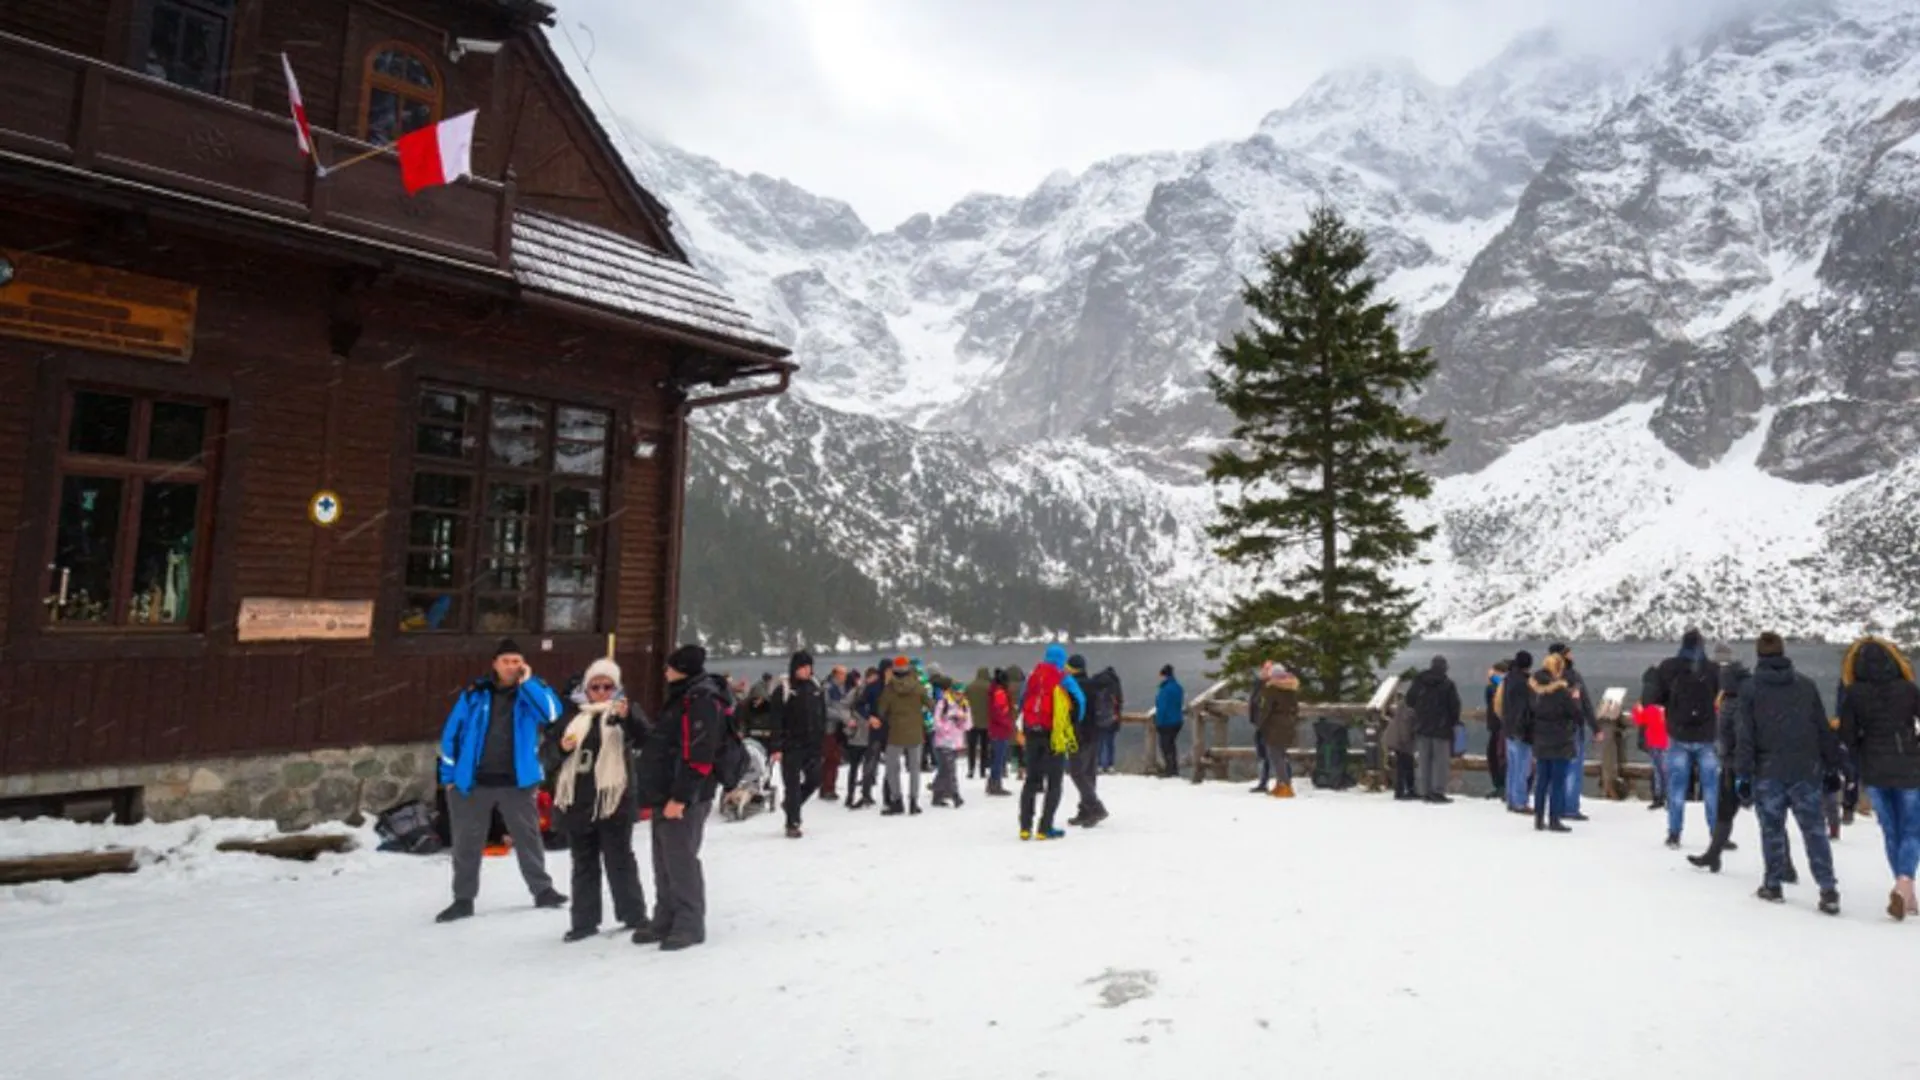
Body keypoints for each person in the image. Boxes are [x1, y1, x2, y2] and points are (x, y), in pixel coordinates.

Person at [434, 639, 567, 923]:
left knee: (528, 839)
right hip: (473, 782)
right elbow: (452, 733)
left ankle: (543, 891)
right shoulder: (474, 693)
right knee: (466, 844)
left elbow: (552, 714)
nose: (511, 666)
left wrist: (528, 683)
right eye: (506, 661)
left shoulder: (531, 692)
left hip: (517, 782)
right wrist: (448, 777)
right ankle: (463, 899)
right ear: (495, 663)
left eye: (517, 661)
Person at [1734, 633, 1841, 914]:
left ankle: (1773, 882)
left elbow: (1745, 736)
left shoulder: (1750, 689)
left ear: (1758, 655)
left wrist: (1742, 775)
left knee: (1772, 829)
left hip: (1768, 770)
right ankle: (1828, 888)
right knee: (1814, 831)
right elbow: (1822, 728)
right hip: (1805, 769)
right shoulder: (1805, 685)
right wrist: (1832, 765)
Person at [632, 644, 726, 950]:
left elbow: (700, 755)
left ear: (682, 669)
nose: (665, 671)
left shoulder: (700, 699)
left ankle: (689, 922)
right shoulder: (681, 696)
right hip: (665, 790)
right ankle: (665, 917)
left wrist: (681, 797)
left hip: (685, 795)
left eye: (670, 666)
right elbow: (662, 742)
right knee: (663, 858)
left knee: (680, 858)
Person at [553, 658, 646, 943]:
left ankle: (634, 915)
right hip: (578, 799)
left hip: (614, 799)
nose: (602, 692)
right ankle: (584, 921)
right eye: (596, 686)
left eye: (608, 686)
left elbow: (645, 738)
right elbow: (548, 756)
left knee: (620, 860)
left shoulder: (625, 711)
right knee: (583, 863)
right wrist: (560, 748)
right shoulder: (572, 716)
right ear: (586, 688)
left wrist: (627, 718)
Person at [1836, 637, 1920, 921]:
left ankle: (1904, 889)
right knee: (1911, 829)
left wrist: (1861, 756)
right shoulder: (1908, 689)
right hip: (1909, 765)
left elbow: (1846, 735)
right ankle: (1905, 882)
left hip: (1874, 769)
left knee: (1890, 830)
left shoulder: (1854, 693)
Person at [1651, 628, 1723, 849]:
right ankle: (1716, 833)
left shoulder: (1668, 667)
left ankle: (1674, 833)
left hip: (1678, 734)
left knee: (1676, 787)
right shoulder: (1713, 669)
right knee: (1711, 788)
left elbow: (1657, 697)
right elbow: (1719, 697)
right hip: (1706, 736)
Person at [1689, 656, 1752, 874]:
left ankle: (1785, 865)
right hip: (1731, 763)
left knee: (1764, 814)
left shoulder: (1738, 704)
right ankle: (1713, 854)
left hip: (1738, 764)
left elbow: (1740, 737)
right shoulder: (1733, 701)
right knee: (1725, 811)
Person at [1019, 643, 1084, 840]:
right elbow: (1080, 702)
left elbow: (1022, 702)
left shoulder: (1033, 676)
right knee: (1054, 783)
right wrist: (1071, 724)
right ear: (1062, 660)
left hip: (1032, 733)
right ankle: (1044, 827)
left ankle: (1024, 826)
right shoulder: (1063, 678)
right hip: (1053, 735)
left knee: (1031, 781)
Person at [769, 650, 826, 838]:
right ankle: (793, 822)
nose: (807, 671)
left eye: (809, 667)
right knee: (791, 785)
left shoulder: (815, 686)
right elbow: (775, 720)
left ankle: (793, 804)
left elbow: (822, 714)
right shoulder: (784, 690)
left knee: (815, 779)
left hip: (812, 744)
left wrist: (822, 737)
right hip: (791, 744)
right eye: (803, 667)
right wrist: (776, 746)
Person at [1525, 655, 1581, 833]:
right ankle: (1554, 818)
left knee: (1542, 780)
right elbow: (1576, 714)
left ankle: (1539, 818)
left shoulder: (1534, 691)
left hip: (1541, 739)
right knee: (1557, 782)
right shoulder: (1561, 693)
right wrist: (1575, 698)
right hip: (1559, 740)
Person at [1547, 644, 1597, 820]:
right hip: (1571, 729)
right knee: (1573, 770)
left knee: (1556, 769)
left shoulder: (1544, 677)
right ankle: (1569, 807)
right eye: (1569, 653)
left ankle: (1556, 805)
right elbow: (1585, 704)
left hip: (1551, 731)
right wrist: (1595, 727)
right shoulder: (1573, 677)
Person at [1068, 656, 1120, 827]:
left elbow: (1073, 714)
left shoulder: (1074, 687)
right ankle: (1085, 810)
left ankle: (1094, 807)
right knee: (1089, 772)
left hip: (1079, 734)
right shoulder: (1093, 685)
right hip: (1096, 732)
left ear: (1073, 669)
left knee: (1077, 772)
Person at [878, 657, 930, 816]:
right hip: (915, 732)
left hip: (896, 733)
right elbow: (930, 704)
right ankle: (914, 803)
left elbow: (881, 710)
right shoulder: (918, 686)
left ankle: (897, 801)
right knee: (915, 769)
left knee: (892, 769)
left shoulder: (889, 688)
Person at [1408, 656, 1462, 804]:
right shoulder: (1447, 684)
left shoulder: (1419, 682)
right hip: (1441, 727)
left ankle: (1424, 790)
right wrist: (1453, 722)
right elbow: (1454, 707)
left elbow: (1409, 700)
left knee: (1424, 760)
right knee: (1440, 761)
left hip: (1422, 726)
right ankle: (1437, 791)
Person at [1257, 665, 1302, 798]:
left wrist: (1261, 724)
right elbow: (1295, 708)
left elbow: (1266, 709)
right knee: (1281, 755)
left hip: (1274, 726)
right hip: (1288, 724)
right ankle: (1280, 784)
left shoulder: (1272, 689)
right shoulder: (1291, 689)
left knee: (1275, 756)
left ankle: (1285, 785)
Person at [1502, 651, 1536, 814]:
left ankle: (1511, 798)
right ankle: (1520, 802)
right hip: (1521, 731)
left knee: (1513, 767)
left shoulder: (1508, 679)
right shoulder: (1524, 683)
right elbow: (1524, 709)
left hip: (1509, 728)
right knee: (1523, 768)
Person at [1634, 664, 1670, 811]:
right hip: (1666, 740)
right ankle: (1669, 796)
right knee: (1666, 770)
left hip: (1652, 740)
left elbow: (1640, 719)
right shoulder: (1665, 705)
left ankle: (1658, 796)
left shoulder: (1648, 704)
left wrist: (1637, 708)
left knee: (1657, 770)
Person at [931, 679, 971, 808]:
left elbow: (968, 725)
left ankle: (937, 794)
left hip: (956, 742)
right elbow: (936, 722)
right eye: (957, 693)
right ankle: (955, 795)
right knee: (950, 769)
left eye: (961, 694)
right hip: (942, 742)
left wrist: (962, 720)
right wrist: (949, 722)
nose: (959, 696)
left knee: (944, 769)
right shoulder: (943, 704)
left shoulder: (965, 705)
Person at [843, 668, 878, 810]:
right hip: (857, 733)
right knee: (854, 766)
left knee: (869, 767)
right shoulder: (857, 691)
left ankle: (866, 794)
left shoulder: (877, 692)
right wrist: (849, 720)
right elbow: (844, 706)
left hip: (871, 734)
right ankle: (850, 795)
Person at [820, 664, 849, 802]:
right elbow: (824, 709)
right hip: (828, 728)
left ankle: (829, 786)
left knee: (834, 759)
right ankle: (827, 788)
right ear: (836, 674)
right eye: (843, 674)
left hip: (837, 728)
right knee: (831, 758)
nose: (845, 677)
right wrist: (842, 716)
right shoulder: (828, 689)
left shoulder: (839, 688)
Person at [1385, 681, 1418, 802]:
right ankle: (1402, 790)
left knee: (1405, 765)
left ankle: (1406, 789)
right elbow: (1405, 725)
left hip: (1396, 738)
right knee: (1404, 766)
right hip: (1401, 741)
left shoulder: (1404, 704)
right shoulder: (1409, 707)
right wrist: (1406, 741)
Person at [987, 669, 1016, 795]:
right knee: (999, 759)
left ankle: (992, 783)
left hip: (995, 729)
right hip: (1000, 730)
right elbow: (1000, 712)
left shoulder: (994, 690)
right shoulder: (1000, 693)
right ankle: (995, 785)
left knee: (996, 758)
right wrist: (1009, 724)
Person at [1484, 661, 1509, 799]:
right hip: (1495, 726)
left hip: (1502, 727)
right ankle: (1498, 785)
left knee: (1500, 756)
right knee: (1492, 756)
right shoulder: (1493, 686)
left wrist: (1493, 679)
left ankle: (1503, 786)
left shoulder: (1502, 685)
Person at [1154, 665, 1185, 778]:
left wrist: (1158, 722)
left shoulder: (1165, 690)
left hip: (1166, 722)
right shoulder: (1178, 687)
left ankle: (1169, 770)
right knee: (1172, 745)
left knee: (1165, 746)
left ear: (1164, 675)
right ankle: (1174, 768)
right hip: (1177, 720)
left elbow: (1162, 707)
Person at [1250, 661, 1275, 794]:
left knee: (1275, 755)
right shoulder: (1259, 685)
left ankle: (1283, 783)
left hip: (1271, 726)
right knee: (1262, 754)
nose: (1265, 671)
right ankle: (1263, 782)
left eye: (1268, 669)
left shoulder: (1274, 687)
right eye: (1264, 668)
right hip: (1260, 724)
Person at [965, 667, 994, 780]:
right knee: (984, 747)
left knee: (971, 747)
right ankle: (982, 770)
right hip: (986, 722)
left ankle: (971, 769)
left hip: (971, 721)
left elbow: (964, 702)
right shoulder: (990, 687)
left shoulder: (970, 686)